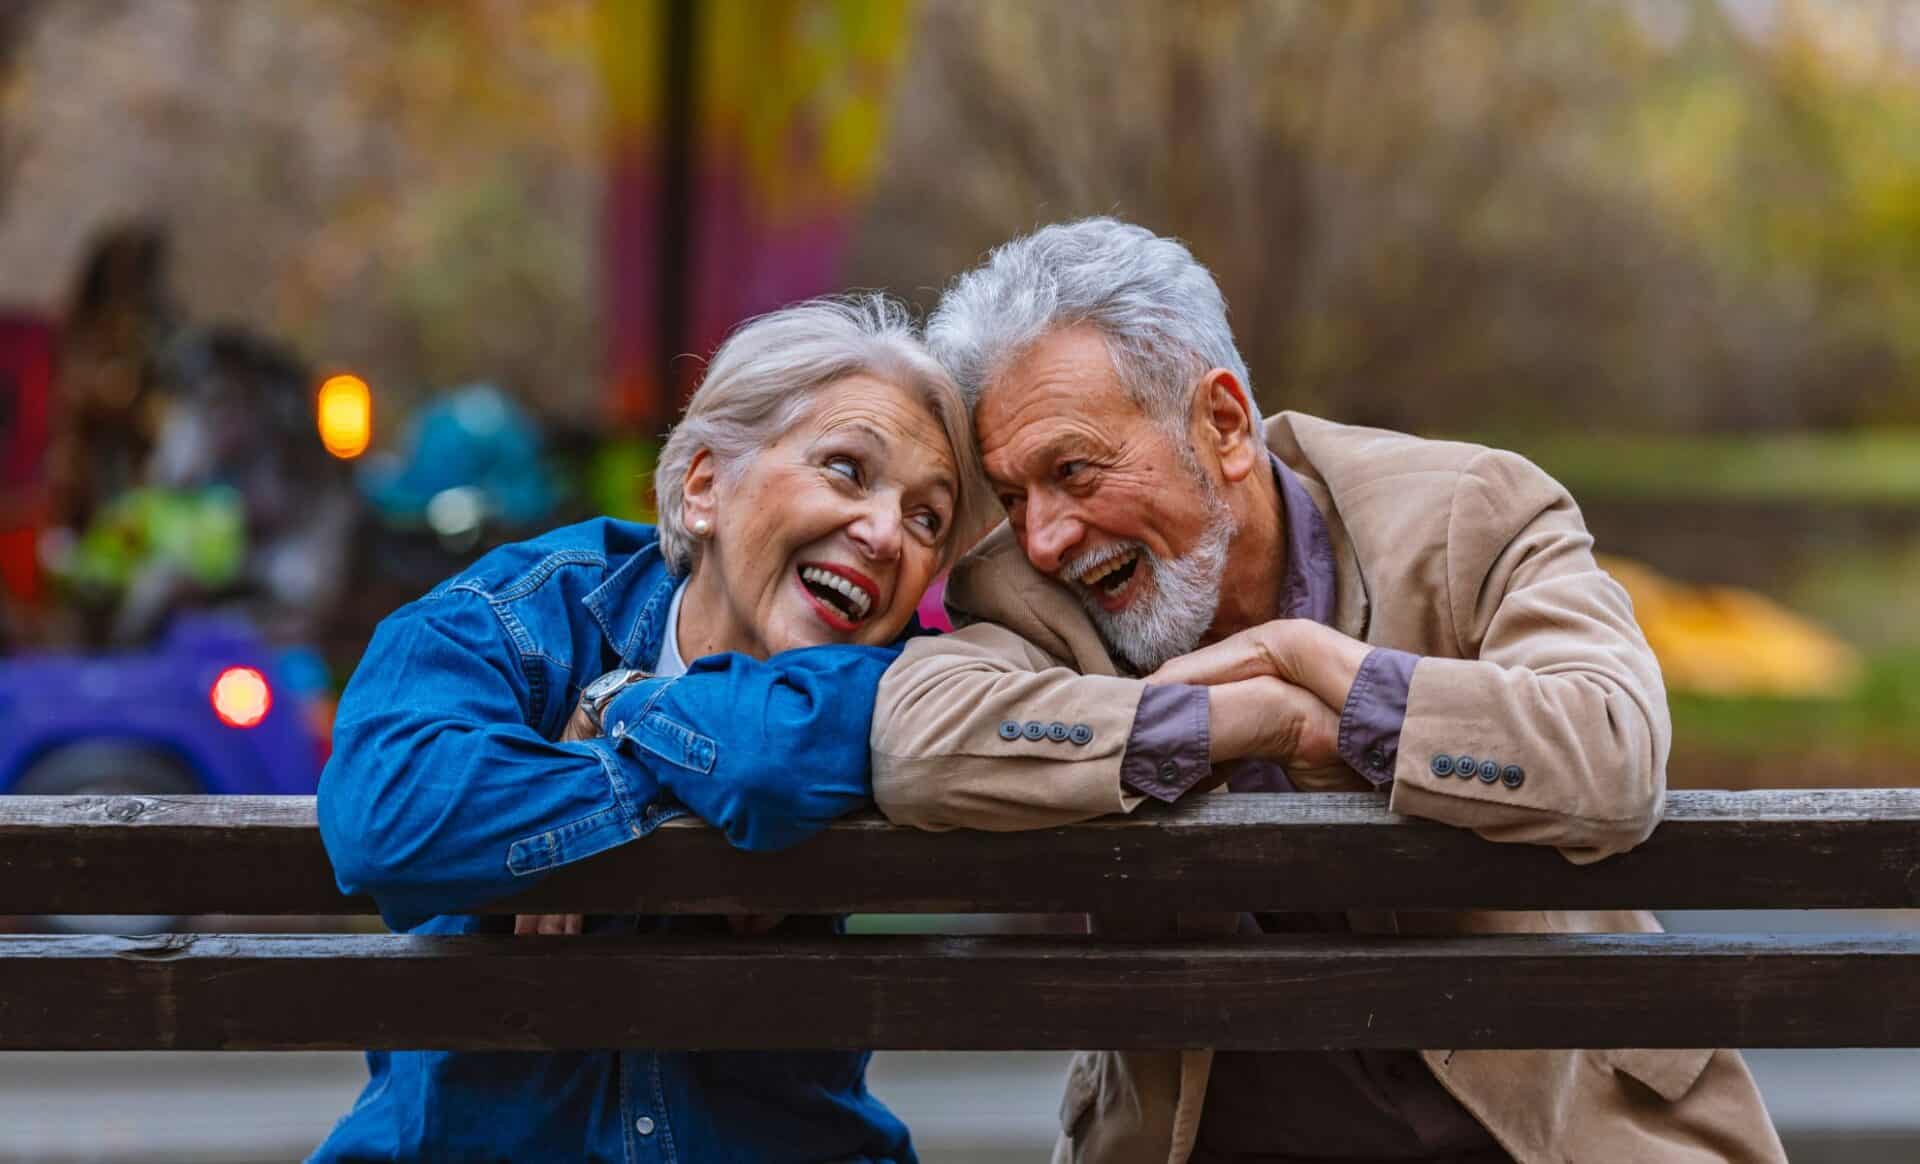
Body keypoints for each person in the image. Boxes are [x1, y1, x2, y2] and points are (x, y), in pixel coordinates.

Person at [869, 219, 1787, 1164]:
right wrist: (1235, 718)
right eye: (1016, 497)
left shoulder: (1472, 513)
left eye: (1073, 471)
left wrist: (1338, 688)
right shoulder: (1024, 592)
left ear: (1222, 425)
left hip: (1564, 1136)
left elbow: (1612, 747)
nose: (1048, 537)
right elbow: (913, 747)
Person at [313, 294, 986, 1163]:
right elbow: (383, 813)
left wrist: (622, 710)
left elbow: (767, 770)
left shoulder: (904, 676)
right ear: (705, 486)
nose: (888, 533)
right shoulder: (526, 613)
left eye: (928, 517)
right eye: (849, 471)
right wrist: (650, 781)